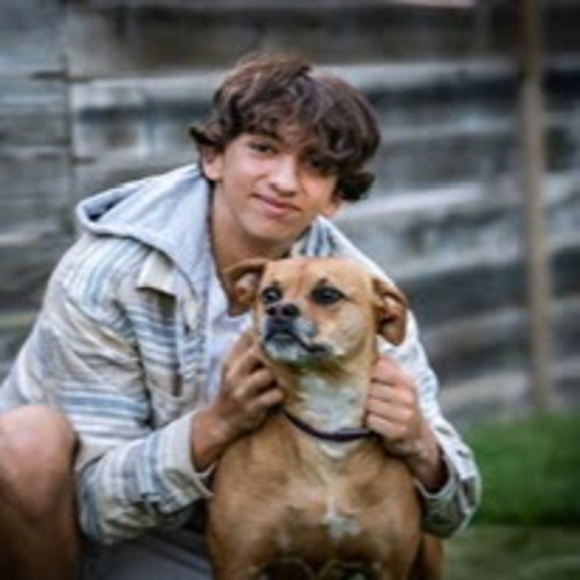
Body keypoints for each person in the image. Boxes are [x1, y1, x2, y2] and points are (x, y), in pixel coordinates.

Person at [0, 52, 480, 579]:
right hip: (113, 532)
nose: (284, 181)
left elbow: (454, 512)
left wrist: (420, 443)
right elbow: (96, 508)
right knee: (23, 443)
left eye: (316, 165)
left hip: (271, 517)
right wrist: (217, 424)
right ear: (213, 157)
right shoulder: (106, 274)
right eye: (263, 148)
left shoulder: (359, 295)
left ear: (336, 198)